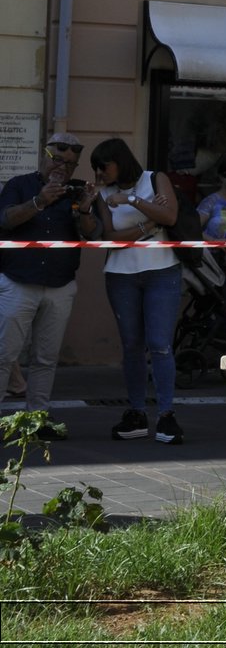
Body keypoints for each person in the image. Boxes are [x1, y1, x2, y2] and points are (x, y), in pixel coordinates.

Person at [0, 134, 101, 438]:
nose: (63, 167)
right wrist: (40, 201)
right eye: (58, 159)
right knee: (4, 355)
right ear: (43, 155)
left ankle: (37, 419)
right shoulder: (20, 184)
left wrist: (84, 209)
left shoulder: (78, 189)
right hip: (19, 281)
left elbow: (92, 235)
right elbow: (5, 221)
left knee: (46, 358)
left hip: (60, 284)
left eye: (70, 164)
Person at [90, 138, 184, 444]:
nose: (99, 174)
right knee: (131, 346)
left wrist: (131, 202)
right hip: (120, 274)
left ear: (120, 161)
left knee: (160, 344)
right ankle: (136, 413)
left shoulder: (155, 179)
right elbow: (111, 237)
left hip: (161, 270)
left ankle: (167, 416)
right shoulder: (102, 194)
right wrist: (147, 226)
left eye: (103, 166)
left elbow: (169, 217)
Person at [196, 157, 226, 242]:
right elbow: (194, 229)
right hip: (212, 252)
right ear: (220, 177)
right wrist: (213, 240)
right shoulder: (211, 201)